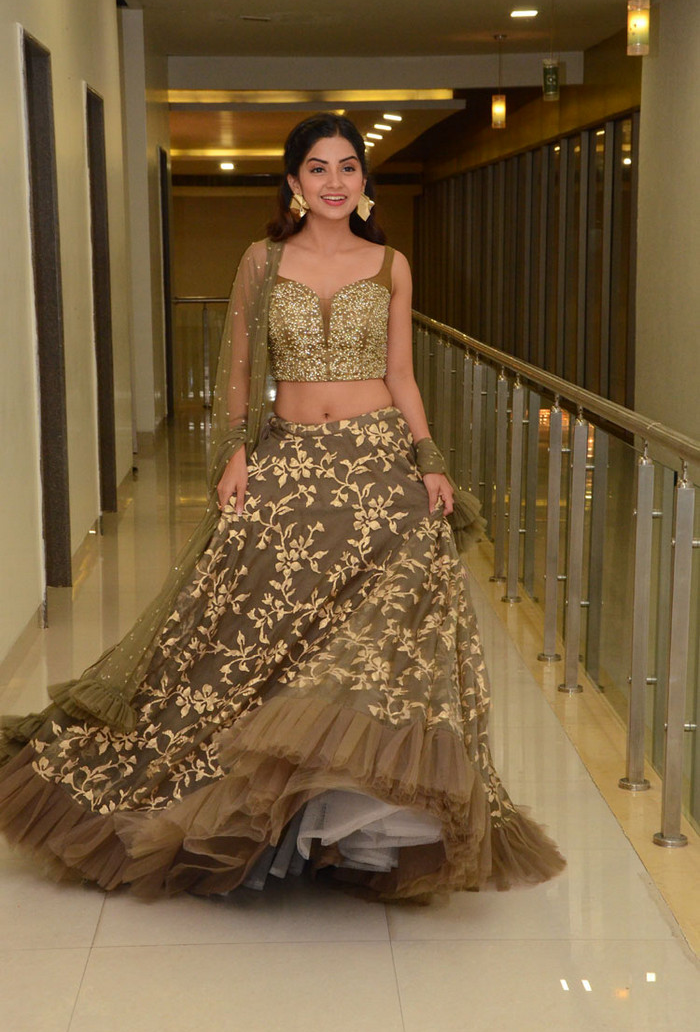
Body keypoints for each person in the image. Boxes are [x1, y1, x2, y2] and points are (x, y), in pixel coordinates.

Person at [0, 113, 565, 900]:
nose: (335, 181)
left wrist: (429, 460)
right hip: (290, 463)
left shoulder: (391, 265)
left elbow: (401, 372)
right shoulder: (261, 261)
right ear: (294, 182)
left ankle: (356, 823)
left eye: (348, 167)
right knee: (251, 627)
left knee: (389, 620)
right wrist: (234, 452)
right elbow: (237, 370)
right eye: (318, 168)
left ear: (364, 181)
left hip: (376, 462)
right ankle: (261, 805)